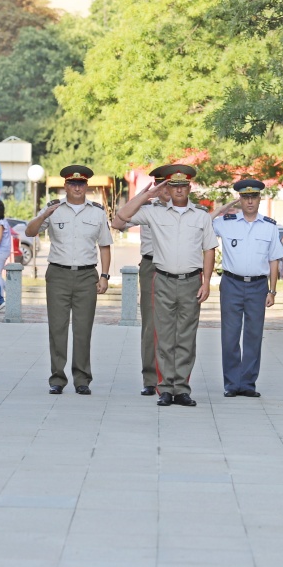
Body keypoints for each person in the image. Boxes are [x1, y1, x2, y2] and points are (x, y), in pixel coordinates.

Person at [112, 164, 217, 408]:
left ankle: (182, 388)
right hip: (163, 280)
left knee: (186, 337)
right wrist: (145, 195)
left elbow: (209, 249)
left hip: (191, 281)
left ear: (189, 187)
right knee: (164, 337)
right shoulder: (154, 213)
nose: (179, 189)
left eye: (183, 185)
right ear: (167, 187)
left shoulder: (201, 215)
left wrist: (208, 282)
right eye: (174, 185)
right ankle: (165, 388)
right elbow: (119, 221)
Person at [24, 165, 112, 395]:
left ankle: (82, 379)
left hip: (86, 276)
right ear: (65, 186)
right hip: (58, 275)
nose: (76, 187)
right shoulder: (53, 210)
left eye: (81, 183)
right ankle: (57, 378)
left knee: (83, 330)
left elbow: (104, 246)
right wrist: (44, 214)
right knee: (57, 328)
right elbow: (29, 232)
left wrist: (104, 275)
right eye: (72, 184)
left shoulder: (97, 212)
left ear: (87, 186)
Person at [211, 179, 283, 398]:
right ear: (240, 200)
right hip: (232, 283)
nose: (250, 201)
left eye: (253, 197)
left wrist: (272, 291)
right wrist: (225, 207)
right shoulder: (227, 222)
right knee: (230, 335)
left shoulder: (270, 226)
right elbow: (203, 222)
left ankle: (248, 383)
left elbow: (274, 260)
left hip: (258, 286)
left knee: (254, 335)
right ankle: (232, 383)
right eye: (245, 197)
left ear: (260, 199)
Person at [134, 166, 173, 396]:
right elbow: (121, 217)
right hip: (151, 266)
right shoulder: (145, 208)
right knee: (150, 324)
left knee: (173, 325)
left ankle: (170, 376)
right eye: (160, 185)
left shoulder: (183, 210)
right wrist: (143, 196)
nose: (164, 190)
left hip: (174, 267)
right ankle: (150, 378)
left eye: (168, 185)